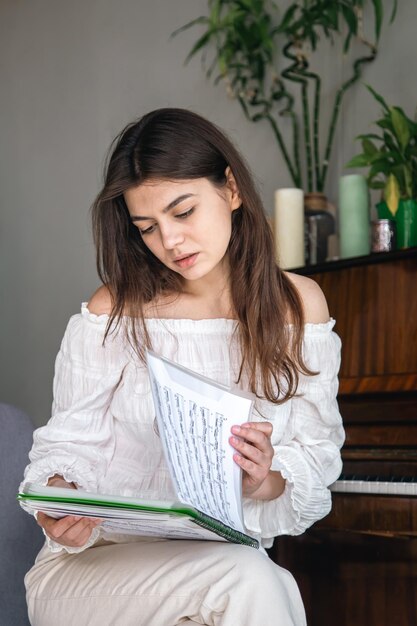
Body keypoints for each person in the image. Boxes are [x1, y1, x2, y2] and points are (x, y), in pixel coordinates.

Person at [21, 108, 344, 626]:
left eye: (183, 211)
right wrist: (60, 502)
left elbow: (315, 460)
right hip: (94, 572)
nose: (169, 242)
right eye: (147, 227)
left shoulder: (298, 308)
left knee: (257, 579)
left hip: (216, 565)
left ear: (231, 189)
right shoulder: (112, 312)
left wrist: (262, 480)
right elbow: (65, 451)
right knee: (254, 580)